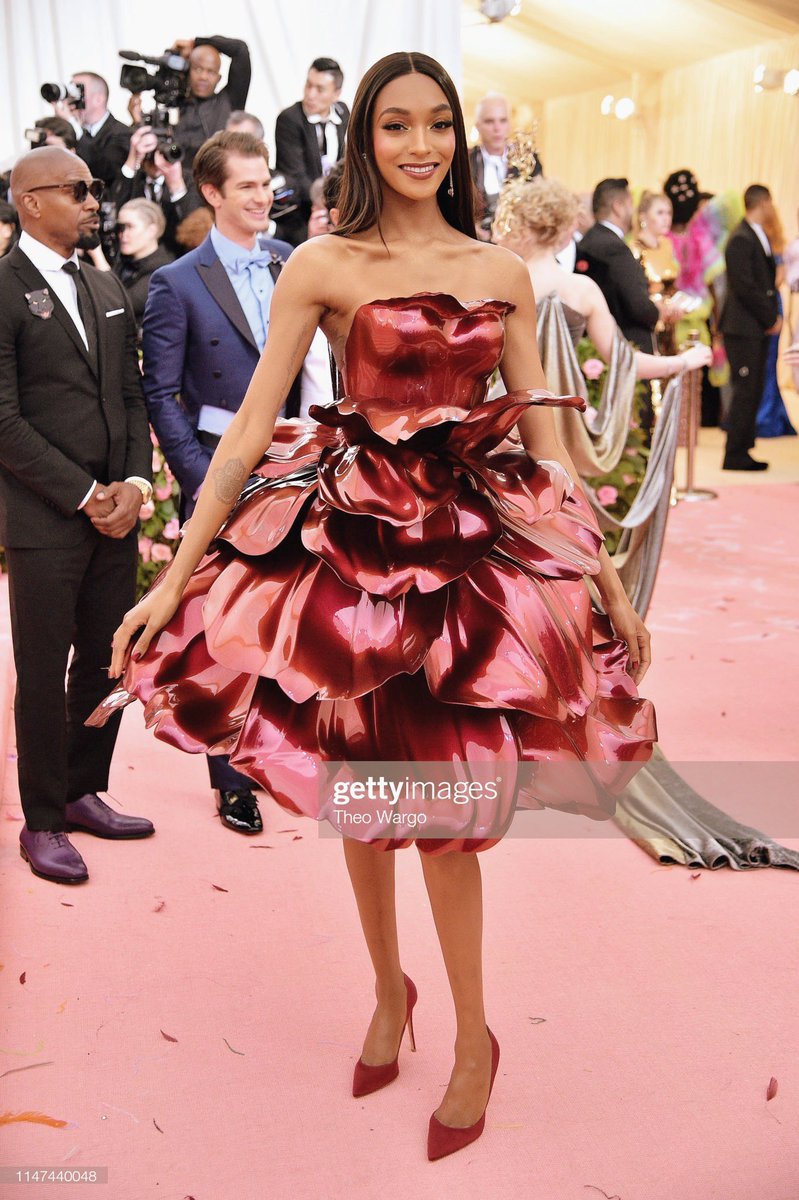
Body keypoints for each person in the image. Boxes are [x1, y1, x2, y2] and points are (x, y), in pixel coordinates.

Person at [97, 53, 656, 1160]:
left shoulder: (497, 272)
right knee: (361, 800)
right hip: (352, 555)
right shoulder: (322, 263)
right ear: (362, 139)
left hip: (467, 563)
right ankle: (388, 992)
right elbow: (247, 433)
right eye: (396, 125)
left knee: (443, 819)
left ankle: (472, 1037)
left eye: (437, 124)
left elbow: (545, 449)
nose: (420, 144)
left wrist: (600, 576)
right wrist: (171, 577)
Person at [0, 146, 154, 885]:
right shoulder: (2, 289)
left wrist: (134, 483)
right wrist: (86, 494)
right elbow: (2, 421)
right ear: (30, 201)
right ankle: (42, 820)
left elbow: (130, 395)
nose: (94, 201)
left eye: (94, 189)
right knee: (41, 671)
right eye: (77, 190)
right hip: (45, 521)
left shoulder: (103, 282)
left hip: (115, 514)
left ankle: (83, 787)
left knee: (107, 659)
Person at [141, 130, 298, 834]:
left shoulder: (292, 259)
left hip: (297, 460)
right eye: (247, 186)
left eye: (266, 183)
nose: (263, 196)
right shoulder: (175, 282)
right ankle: (231, 778)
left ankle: (281, 751)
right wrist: (204, 479)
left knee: (292, 610)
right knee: (225, 622)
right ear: (212, 193)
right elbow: (160, 393)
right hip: (218, 462)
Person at [497, 178, 711, 381]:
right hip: (561, 401)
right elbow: (624, 360)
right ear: (563, 228)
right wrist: (682, 361)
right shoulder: (582, 289)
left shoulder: (498, 284)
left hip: (501, 402)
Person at [719, 184, 781, 470]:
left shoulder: (755, 234)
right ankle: (734, 454)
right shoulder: (741, 238)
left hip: (753, 327)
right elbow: (745, 287)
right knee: (745, 390)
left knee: (753, 389)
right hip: (742, 328)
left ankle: (744, 447)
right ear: (762, 203)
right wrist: (770, 317)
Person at [274, 57, 349, 245]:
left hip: (335, 208)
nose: (310, 94)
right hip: (301, 212)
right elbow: (295, 176)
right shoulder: (289, 119)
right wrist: (328, 204)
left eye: (320, 89)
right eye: (308, 85)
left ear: (336, 94)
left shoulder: (342, 112)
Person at [111, 124, 200, 257]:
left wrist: (176, 185)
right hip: (136, 259)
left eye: (162, 150)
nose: (156, 158)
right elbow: (115, 206)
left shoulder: (186, 180)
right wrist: (133, 157)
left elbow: (196, 226)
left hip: (176, 256)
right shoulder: (134, 180)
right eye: (151, 152)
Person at [168, 35, 252, 168]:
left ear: (219, 78)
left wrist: (195, 43)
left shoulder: (230, 101)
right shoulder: (175, 103)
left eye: (211, 72)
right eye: (198, 69)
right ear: (188, 71)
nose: (203, 77)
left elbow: (240, 50)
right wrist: (174, 54)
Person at [468, 93, 541, 242]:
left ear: (510, 124)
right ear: (478, 126)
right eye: (489, 121)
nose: (497, 128)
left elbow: (539, 201)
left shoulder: (527, 158)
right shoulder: (466, 160)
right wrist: (471, 228)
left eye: (503, 120)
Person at [50, 71, 131, 187]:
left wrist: (74, 127)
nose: (72, 98)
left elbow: (105, 171)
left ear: (98, 99)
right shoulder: (71, 132)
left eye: (79, 91)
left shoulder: (122, 133)